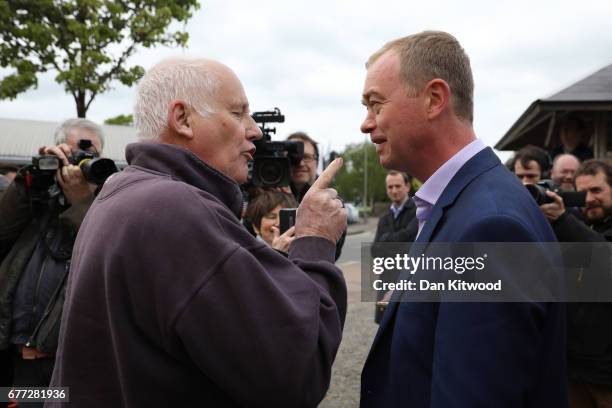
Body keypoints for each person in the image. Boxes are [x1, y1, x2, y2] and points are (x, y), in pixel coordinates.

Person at [48, 57, 347, 407]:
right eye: (238, 113)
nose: (256, 131)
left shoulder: (121, 192)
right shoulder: (177, 210)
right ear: (183, 119)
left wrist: (271, 266)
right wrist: (315, 240)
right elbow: (296, 375)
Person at [359, 31, 567, 407]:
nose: (366, 124)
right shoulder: (462, 203)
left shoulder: (491, 229)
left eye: (375, 104)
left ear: (434, 99)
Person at [0, 118, 103, 406]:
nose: (75, 164)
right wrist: (30, 178)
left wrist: (80, 201)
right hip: (14, 356)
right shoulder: (36, 197)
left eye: (88, 155)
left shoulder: (109, 205)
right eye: (69, 153)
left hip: (62, 363)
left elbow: (101, 252)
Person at [372, 171, 417, 324]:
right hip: (386, 282)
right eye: (390, 187)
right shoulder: (384, 218)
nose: (394, 190)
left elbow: (411, 246)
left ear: (407, 186)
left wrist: (385, 240)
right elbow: (374, 252)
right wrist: (398, 241)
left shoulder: (418, 211)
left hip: (409, 282)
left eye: (398, 186)